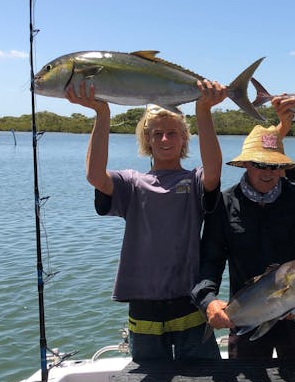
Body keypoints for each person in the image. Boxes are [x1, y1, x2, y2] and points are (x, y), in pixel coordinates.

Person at [65, 79, 226, 362]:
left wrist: (204, 110)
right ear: (147, 140)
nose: (165, 140)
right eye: (157, 134)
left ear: (184, 139)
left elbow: (213, 171)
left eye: (172, 134)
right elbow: (95, 176)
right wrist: (102, 115)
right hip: (143, 303)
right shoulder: (131, 182)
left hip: (189, 300)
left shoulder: (194, 180)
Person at [192, 125, 295, 359]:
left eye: (274, 166)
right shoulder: (224, 204)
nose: (268, 173)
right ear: (245, 164)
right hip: (246, 315)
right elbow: (210, 260)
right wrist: (209, 301)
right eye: (259, 165)